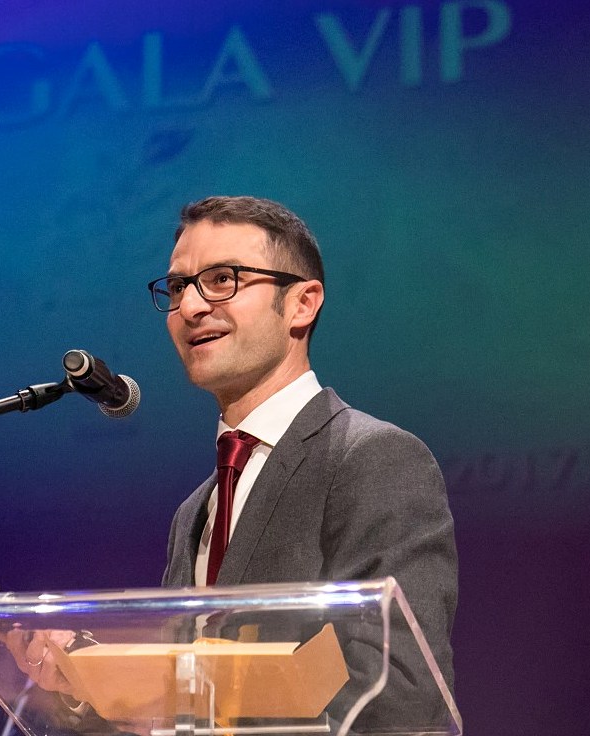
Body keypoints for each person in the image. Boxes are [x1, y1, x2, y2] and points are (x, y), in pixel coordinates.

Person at [152, 195, 457, 727]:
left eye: (222, 279)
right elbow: (184, 694)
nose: (192, 307)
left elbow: (400, 694)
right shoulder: (193, 512)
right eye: (179, 286)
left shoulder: (373, 459)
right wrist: (77, 689)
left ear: (302, 303)